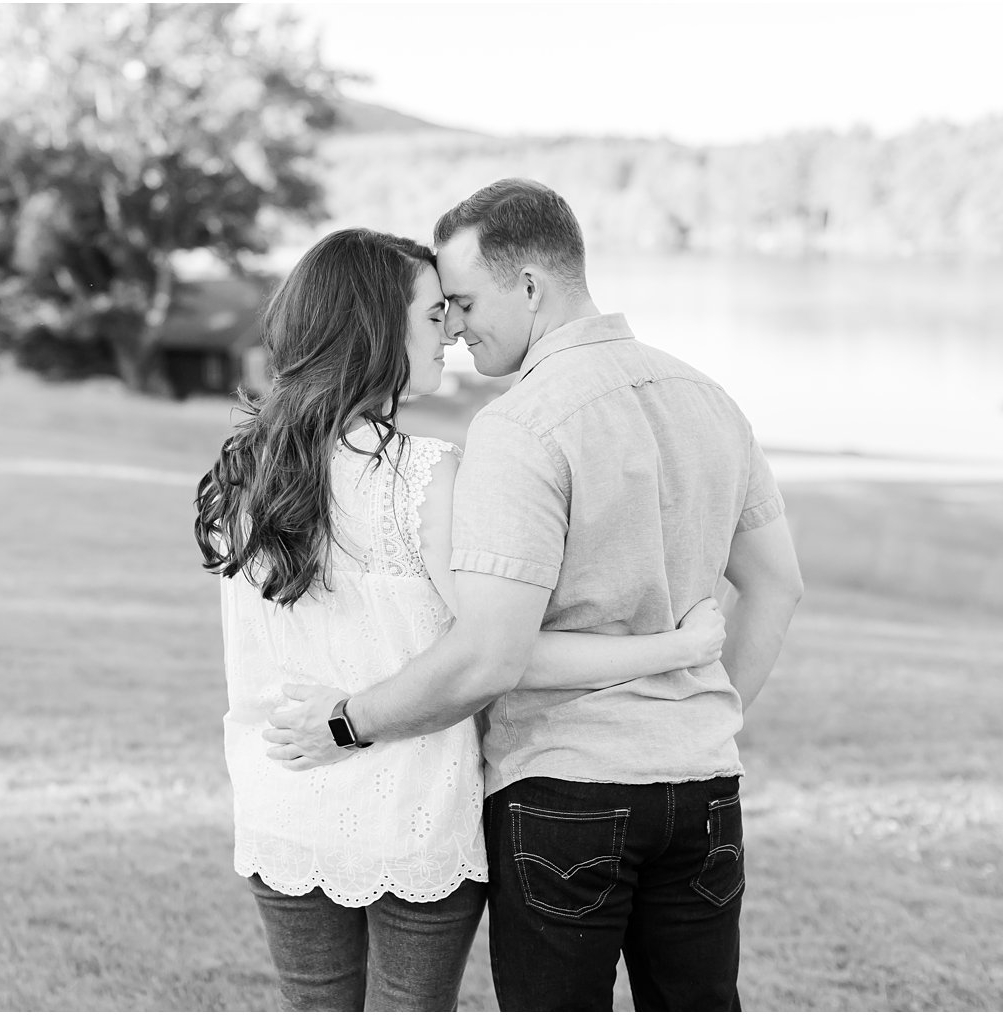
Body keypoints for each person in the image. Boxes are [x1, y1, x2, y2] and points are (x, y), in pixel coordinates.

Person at [264, 181, 805, 1012]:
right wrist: (700, 708)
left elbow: (490, 651)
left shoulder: (520, 426)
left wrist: (347, 720)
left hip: (565, 795)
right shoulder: (709, 397)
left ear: (530, 287)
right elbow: (777, 584)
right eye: (441, 308)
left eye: (466, 301)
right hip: (703, 788)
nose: (456, 325)